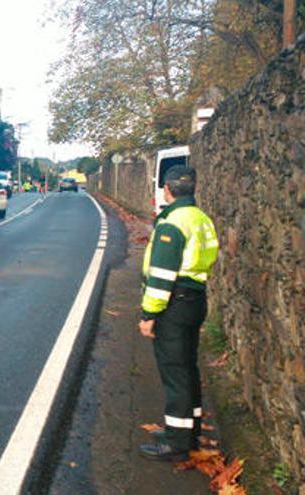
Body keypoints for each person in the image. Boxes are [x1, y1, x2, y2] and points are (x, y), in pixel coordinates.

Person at [138, 165, 219, 461]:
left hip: (174, 303)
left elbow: (161, 275)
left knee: (175, 372)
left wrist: (149, 315)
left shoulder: (173, 222)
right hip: (195, 299)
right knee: (187, 367)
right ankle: (189, 429)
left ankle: (176, 443)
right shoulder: (200, 218)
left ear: (167, 190)